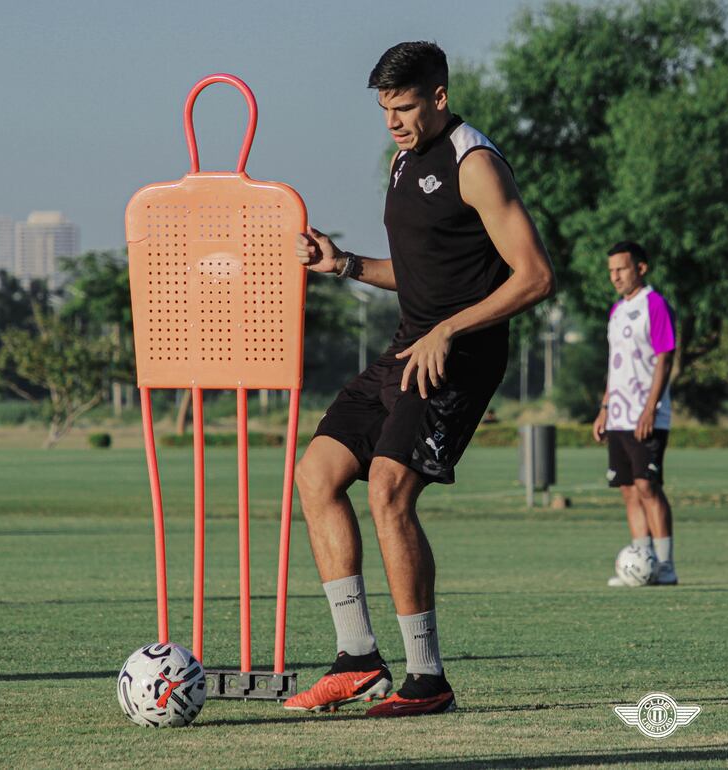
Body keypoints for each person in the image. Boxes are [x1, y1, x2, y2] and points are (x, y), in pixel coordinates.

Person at [284, 41, 554, 717]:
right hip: (410, 346)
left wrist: (450, 330)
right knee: (315, 475)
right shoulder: (406, 159)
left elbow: (535, 275)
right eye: (384, 110)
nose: (393, 123)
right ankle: (357, 660)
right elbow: (426, 272)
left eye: (404, 108)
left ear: (438, 95)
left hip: (459, 356)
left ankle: (426, 679)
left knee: (387, 490)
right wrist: (342, 263)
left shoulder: (477, 164)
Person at [592, 241, 678, 587]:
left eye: (621, 269)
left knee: (647, 485)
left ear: (640, 269)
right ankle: (643, 563)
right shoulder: (616, 311)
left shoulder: (654, 305)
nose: (615, 277)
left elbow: (665, 358)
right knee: (628, 488)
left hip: (647, 416)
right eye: (611, 271)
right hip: (618, 416)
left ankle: (667, 566)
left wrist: (649, 409)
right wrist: (604, 408)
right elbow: (616, 366)